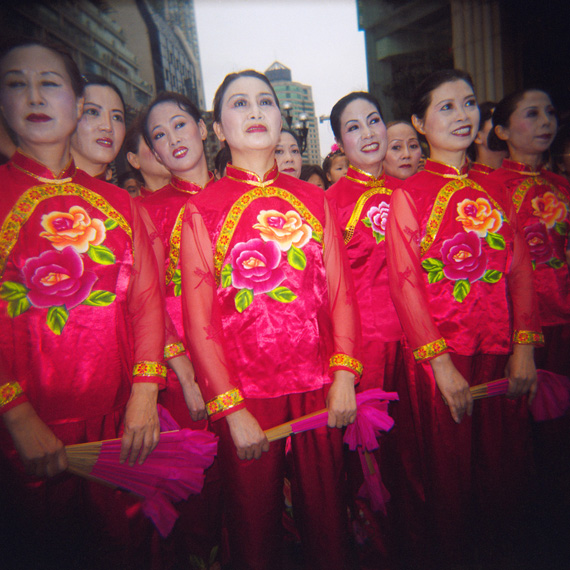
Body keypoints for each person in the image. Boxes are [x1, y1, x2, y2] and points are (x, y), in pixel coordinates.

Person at [179, 69, 362, 570]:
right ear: (219, 129)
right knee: (253, 524)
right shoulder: (200, 211)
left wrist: (344, 376)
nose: (255, 111)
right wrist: (231, 409)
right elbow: (199, 322)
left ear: (282, 120)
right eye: (239, 104)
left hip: (320, 384)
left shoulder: (315, 199)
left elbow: (341, 294)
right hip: (246, 394)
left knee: (328, 515)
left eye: (265, 101)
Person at [0, 40, 166, 569]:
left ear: (74, 103)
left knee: (121, 548)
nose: (33, 96)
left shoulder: (119, 203)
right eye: (16, 83)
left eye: (49, 83)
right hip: (24, 431)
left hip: (119, 422)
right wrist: (16, 415)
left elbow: (146, 303)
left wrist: (144, 395)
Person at [385, 69, 543, 569]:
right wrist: (440, 365)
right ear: (420, 122)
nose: (462, 115)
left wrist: (523, 349)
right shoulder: (409, 195)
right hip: (442, 361)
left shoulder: (496, 188)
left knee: (504, 470)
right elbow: (405, 285)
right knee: (447, 477)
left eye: (469, 103)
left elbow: (519, 271)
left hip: (499, 352)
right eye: (447, 106)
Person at [139, 90, 221, 568]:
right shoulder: (148, 211)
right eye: (159, 135)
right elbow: (148, 302)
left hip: (247, 357)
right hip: (183, 364)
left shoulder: (237, 195)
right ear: (152, 150)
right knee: (199, 482)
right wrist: (184, 372)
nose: (173, 139)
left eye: (180, 124)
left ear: (203, 129)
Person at [326, 91, 402, 568]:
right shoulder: (329, 202)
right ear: (339, 143)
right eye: (353, 127)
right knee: (371, 455)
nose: (368, 133)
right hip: (366, 347)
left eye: (373, 120)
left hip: (420, 343)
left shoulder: (409, 192)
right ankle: (377, 543)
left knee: (414, 449)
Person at [70, 74, 126, 180]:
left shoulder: (120, 193)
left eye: (116, 117)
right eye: (92, 112)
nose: (108, 127)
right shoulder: (39, 186)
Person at [124, 114, 171, 198]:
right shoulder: (132, 206)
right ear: (134, 160)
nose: (163, 149)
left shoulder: (192, 195)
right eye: (151, 143)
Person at [467, 101, 508, 182]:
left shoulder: (518, 176)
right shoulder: (469, 181)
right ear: (477, 137)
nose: (504, 127)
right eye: (496, 121)